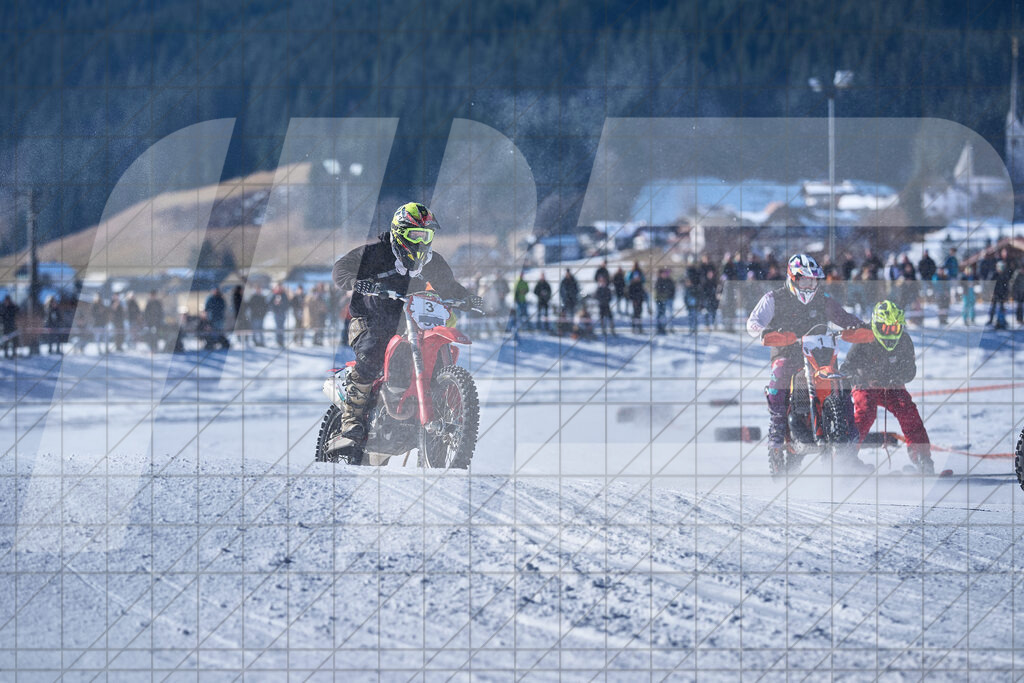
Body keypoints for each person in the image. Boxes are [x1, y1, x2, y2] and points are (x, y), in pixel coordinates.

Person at [330, 202, 478, 462]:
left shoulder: (433, 262)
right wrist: (356, 281)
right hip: (370, 319)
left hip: (412, 322)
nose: (421, 242)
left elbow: (450, 288)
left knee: (433, 352)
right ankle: (351, 423)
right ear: (400, 233)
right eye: (416, 235)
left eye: (426, 236)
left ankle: (434, 421)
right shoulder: (376, 254)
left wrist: (470, 299)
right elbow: (340, 269)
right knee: (373, 348)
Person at [746, 253, 870, 472]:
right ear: (793, 278)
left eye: (813, 280)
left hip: (820, 355)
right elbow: (753, 322)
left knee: (841, 386)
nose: (810, 284)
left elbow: (844, 318)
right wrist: (765, 331)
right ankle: (776, 435)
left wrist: (860, 326)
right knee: (780, 378)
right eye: (805, 279)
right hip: (787, 353)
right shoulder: (774, 298)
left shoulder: (823, 299)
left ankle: (848, 449)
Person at [842, 301, 934, 474]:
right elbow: (846, 368)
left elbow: (910, 371)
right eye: (887, 329)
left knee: (908, 411)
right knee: (865, 412)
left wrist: (894, 377)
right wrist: (860, 379)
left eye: (895, 329)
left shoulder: (905, 341)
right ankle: (845, 459)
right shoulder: (863, 337)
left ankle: (922, 458)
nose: (891, 334)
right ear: (876, 325)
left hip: (892, 386)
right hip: (866, 385)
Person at [654, 268, 676, 334]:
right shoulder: (659, 281)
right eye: (663, 273)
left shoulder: (669, 280)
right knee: (660, 314)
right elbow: (658, 290)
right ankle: (659, 328)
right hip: (659, 300)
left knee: (666, 314)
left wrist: (670, 296)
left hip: (668, 299)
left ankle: (666, 328)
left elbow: (673, 289)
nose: (665, 275)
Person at [1, 295, 18, 359]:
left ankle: (14, 353)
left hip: (13, 326)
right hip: (5, 327)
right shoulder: (2, 307)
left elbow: (17, 310)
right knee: (6, 341)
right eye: (6, 300)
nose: (7, 302)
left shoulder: (12, 306)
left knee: (14, 341)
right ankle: (6, 353)